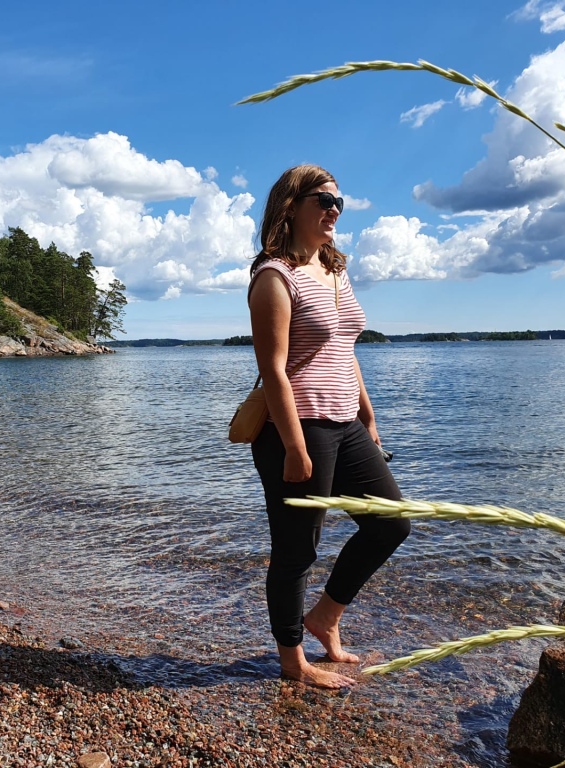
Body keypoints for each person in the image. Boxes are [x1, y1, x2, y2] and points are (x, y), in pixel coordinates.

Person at [247, 164, 410, 689]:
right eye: (323, 199)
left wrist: (368, 412)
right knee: (297, 549)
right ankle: (293, 660)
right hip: (298, 427)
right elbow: (273, 369)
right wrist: (294, 447)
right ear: (291, 206)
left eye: (340, 201)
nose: (334, 209)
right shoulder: (274, 276)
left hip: (345, 422)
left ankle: (325, 617)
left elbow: (345, 348)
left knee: (391, 523)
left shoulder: (336, 271)